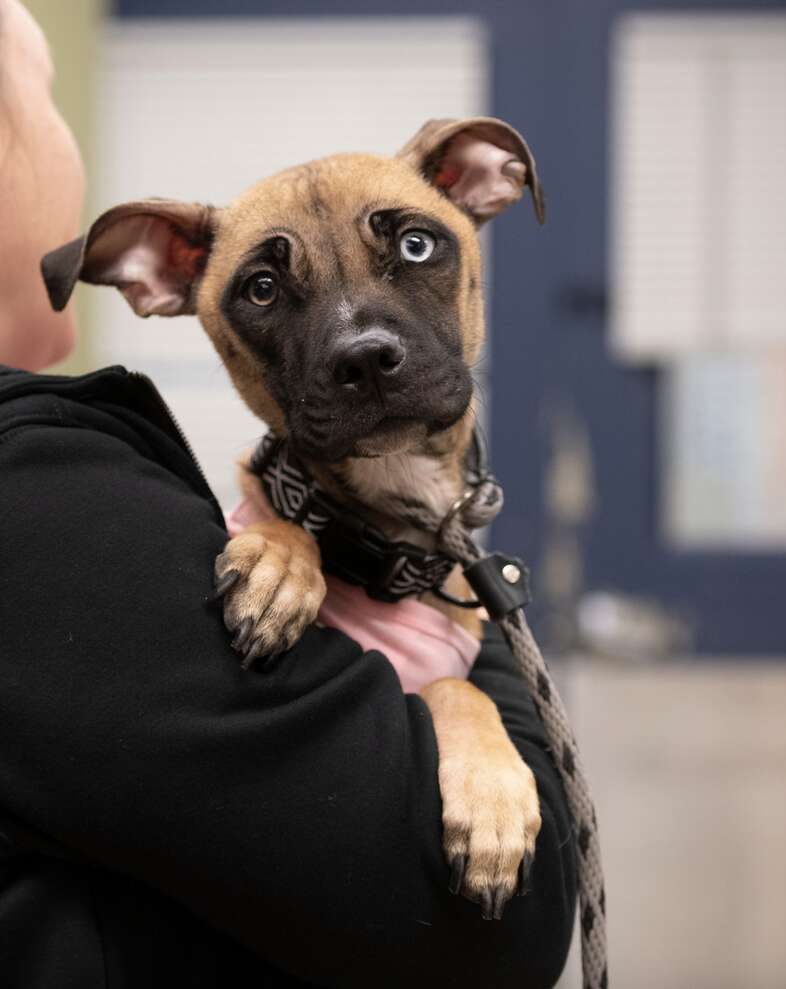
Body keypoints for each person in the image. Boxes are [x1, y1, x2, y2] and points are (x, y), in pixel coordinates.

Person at [0, 2, 576, 986]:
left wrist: (460, 660)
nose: (361, 336)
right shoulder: (46, 496)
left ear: (483, 182)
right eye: (266, 290)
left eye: (415, 247)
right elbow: (497, 929)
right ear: (156, 277)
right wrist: (294, 545)